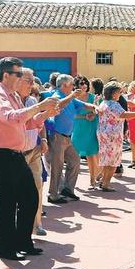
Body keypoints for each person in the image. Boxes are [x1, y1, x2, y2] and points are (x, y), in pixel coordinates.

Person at [0, 57, 58, 260]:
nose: (21, 79)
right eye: (18, 74)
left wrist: (44, 113)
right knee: (8, 202)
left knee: (29, 198)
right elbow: (11, 117)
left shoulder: (12, 95)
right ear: (6, 75)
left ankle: (23, 242)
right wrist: (40, 106)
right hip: (2, 154)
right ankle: (7, 248)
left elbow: (26, 123)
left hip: (14, 155)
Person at [45, 74, 94, 204]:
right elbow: (57, 106)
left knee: (75, 161)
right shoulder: (56, 95)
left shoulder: (70, 98)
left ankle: (67, 189)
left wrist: (95, 107)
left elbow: (83, 104)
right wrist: (72, 96)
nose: (74, 86)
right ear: (65, 85)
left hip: (66, 137)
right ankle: (53, 194)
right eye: (72, 84)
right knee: (57, 166)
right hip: (57, 136)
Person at [96, 81, 135, 191]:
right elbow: (124, 115)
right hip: (113, 135)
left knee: (106, 159)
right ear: (114, 94)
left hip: (104, 134)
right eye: (119, 92)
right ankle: (106, 183)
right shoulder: (114, 104)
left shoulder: (103, 103)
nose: (120, 95)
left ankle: (103, 181)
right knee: (113, 161)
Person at [17, 69, 50, 236]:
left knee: (38, 187)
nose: (32, 84)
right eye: (28, 80)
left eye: (32, 81)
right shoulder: (9, 102)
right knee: (18, 193)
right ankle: (19, 229)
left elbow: (40, 123)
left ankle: (37, 224)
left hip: (34, 151)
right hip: (16, 154)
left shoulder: (31, 100)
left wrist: (43, 139)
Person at [71, 75, 101, 188]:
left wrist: (93, 115)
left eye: (85, 83)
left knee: (91, 154)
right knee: (74, 155)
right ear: (76, 86)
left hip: (91, 127)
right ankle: (71, 182)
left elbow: (98, 111)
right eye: (81, 84)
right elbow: (72, 114)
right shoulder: (73, 98)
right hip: (78, 127)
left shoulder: (93, 97)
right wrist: (85, 117)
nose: (84, 86)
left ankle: (92, 180)